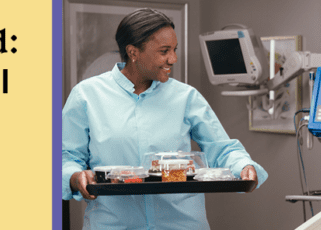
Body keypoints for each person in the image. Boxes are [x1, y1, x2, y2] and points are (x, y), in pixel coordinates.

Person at [62, 8, 268, 229]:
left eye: (174, 49)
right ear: (133, 52)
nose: (173, 58)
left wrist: (243, 166)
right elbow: (66, 156)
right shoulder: (86, 96)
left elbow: (222, 149)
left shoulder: (186, 97)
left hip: (181, 224)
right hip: (113, 224)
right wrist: (75, 176)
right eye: (164, 51)